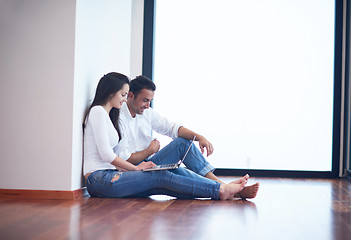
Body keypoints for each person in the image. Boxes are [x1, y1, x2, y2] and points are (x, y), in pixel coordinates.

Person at [83, 72, 248, 200]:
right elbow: (110, 155)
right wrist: (146, 156)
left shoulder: (111, 114)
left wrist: (200, 137)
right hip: (105, 176)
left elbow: (172, 128)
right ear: (114, 93)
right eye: (123, 95)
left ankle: (221, 187)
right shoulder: (106, 113)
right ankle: (221, 190)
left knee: (175, 164)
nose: (124, 99)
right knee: (163, 176)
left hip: (115, 172)